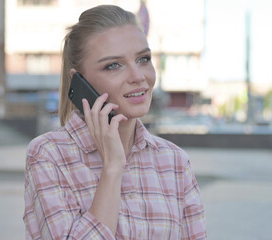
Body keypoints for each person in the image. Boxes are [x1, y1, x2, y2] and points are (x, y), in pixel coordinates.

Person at [23, 5, 207, 240]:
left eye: (143, 59)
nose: (138, 76)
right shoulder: (48, 155)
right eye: (113, 65)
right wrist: (112, 168)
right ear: (79, 82)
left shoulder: (174, 161)